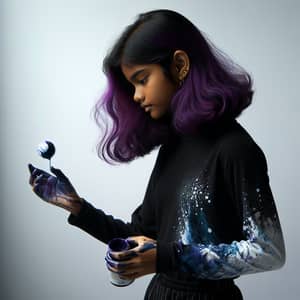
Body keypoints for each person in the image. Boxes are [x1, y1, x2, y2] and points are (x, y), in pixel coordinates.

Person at [28, 9, 286, 300]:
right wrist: (78, 208)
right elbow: (142, 234)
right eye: (131, 85)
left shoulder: (236, 150)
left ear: (179, 65)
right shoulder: (174, 145)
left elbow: (269, 252)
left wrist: (167, 257)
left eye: (141, 79)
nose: (136, 95)